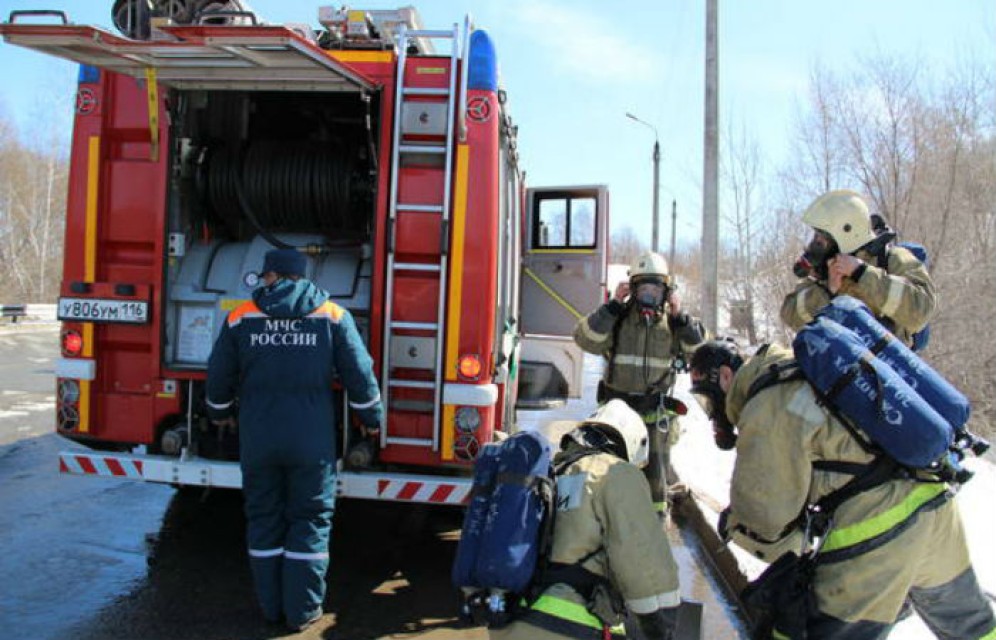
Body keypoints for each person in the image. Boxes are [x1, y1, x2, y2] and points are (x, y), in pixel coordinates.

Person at [689, 340, 996, 639]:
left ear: (726, 377)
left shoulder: (767, 405)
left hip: (878, 527)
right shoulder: (803, 370)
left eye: (707, 399)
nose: (712, 412)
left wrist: (735, 524)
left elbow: (764, 519)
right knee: (972, 627)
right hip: (933, 502)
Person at [206, 248, 383, 631]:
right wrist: (371, 418)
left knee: (265, 517)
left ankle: (271, 609)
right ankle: (303, 612)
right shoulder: (331, 315)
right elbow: (360, 372)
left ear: (270, 276)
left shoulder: (241, 317)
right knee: (310, 520)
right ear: (303, 277)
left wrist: (219, 413)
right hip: (312, 442)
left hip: (259, 439)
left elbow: (218, 376)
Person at [490, 400, 682, 640]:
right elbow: (646, 565)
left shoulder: (550, 473)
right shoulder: (617, 473)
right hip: (574, 629)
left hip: (512, 625)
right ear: (633, 446)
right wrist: (660, 627)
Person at [573, 251, 706, 517]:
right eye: (644, 288)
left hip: (656, 414)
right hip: (617, 412)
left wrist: (682, 318)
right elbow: (584, 339)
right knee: (611, 472)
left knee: (655, 483)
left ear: (666, 292)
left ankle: (654, 527)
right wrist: (611, 307)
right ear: (632, 289)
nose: (649, 296)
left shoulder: (675, 322)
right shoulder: (618, 318)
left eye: (655, 289)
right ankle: (610, 524)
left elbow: (701, 354)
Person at [781, 189, 936, 348]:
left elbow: (921, 311)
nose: (816, 242)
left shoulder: (893, 258)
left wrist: (862, 273)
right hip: (842, 368)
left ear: (846, 233)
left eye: (823, 237)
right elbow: (790, 316)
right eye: (816, 236)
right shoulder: (824, 272)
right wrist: (827, 291)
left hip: (889, 366)